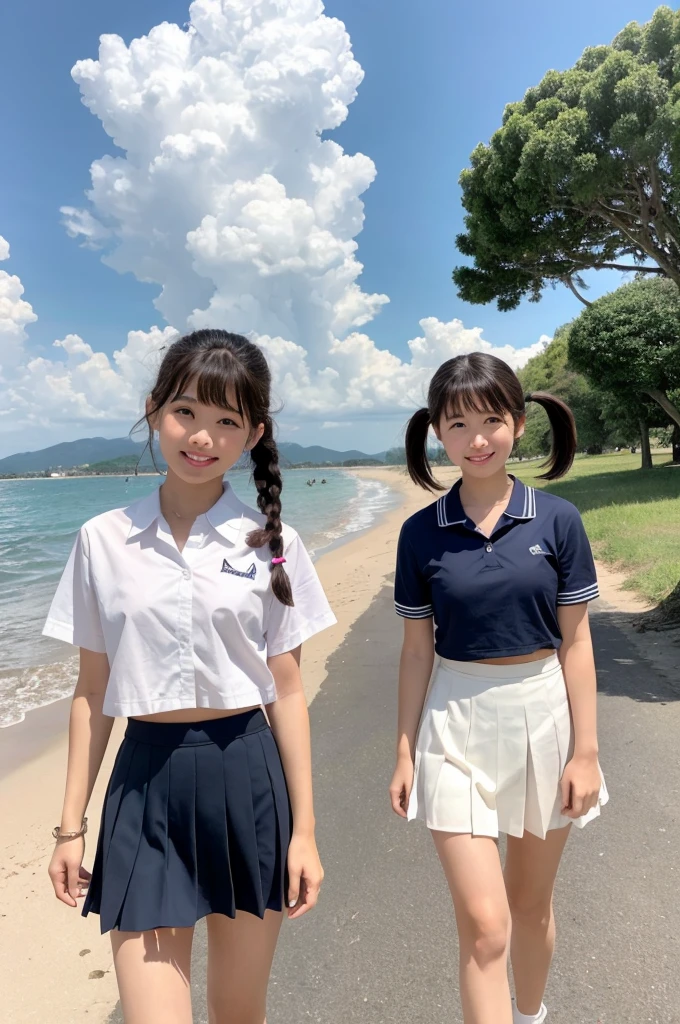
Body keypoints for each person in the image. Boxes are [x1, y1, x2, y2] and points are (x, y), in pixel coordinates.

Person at [44, 329, 336, 1024]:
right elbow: (92, 693)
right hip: (143, 786)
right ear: (154, 411)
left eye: (226, 420)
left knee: (239, 1011)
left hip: (247, 776)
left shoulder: (273, 543)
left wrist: (306, 832)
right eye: (186, 412)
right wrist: (68, 829)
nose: (201, 436)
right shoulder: (102, 539)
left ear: (252, 433)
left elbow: (287, 692)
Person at [389, 352, 607, 1024]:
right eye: (458, 424)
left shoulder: (557, 520)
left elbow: (576, 641)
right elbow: (416, 649)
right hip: (454, 726)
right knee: (485, 925)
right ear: (437, 434)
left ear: (517, 422)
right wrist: (403, 751)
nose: (477, 438)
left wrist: (587, 752)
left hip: (544, 719)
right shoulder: (420, 533)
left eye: (491, 420)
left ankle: (530, 1015)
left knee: (529, 905)